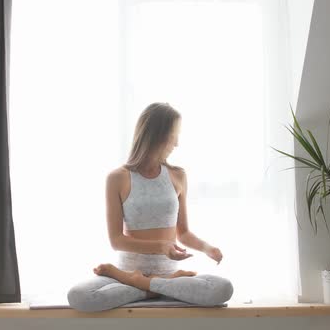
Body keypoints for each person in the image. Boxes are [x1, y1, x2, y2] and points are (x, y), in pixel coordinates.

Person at [67, 102, 233, 312]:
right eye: (174, 135)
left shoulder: (177, 175)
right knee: (80, 296)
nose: (177, 143)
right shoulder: (118, 178)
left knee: (222, 289)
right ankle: (155, 286)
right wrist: (161, 246)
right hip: (130, 274)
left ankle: (146, 285)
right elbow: (116, 241)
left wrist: (208, 248)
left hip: (169, 277)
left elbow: (183, 233)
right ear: (158, 135)